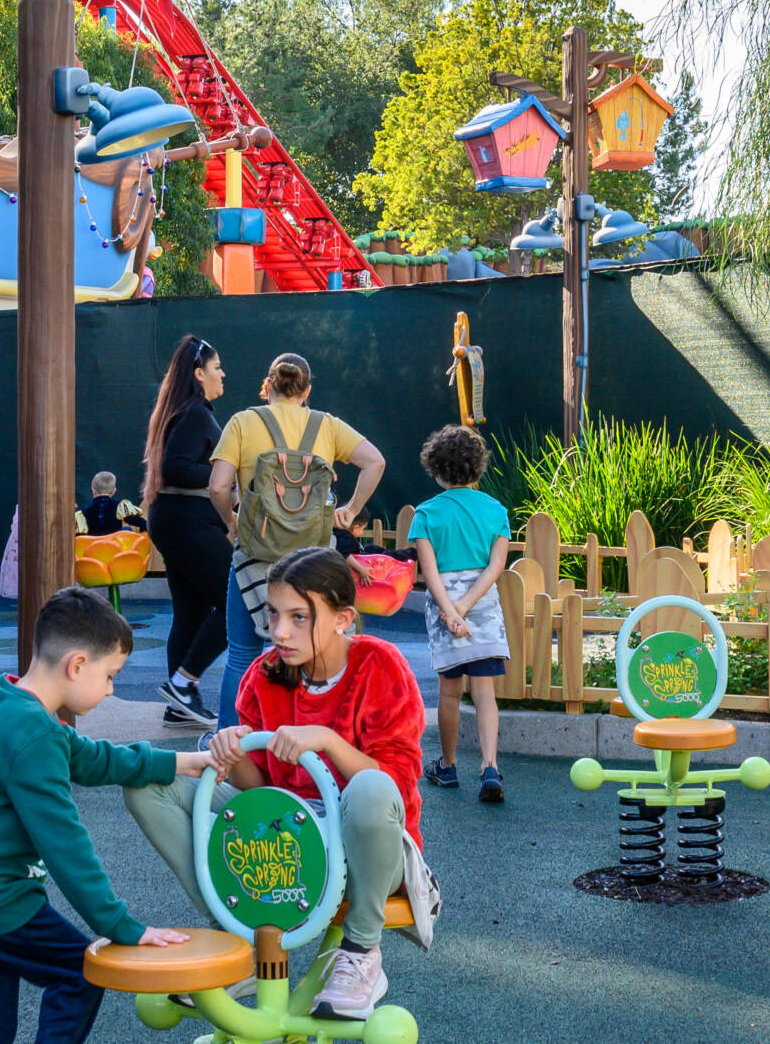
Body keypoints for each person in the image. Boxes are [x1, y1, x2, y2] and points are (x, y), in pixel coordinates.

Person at [126, 547, 437, 1020]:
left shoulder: (380, 666)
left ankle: (361, 952)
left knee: (369, 790)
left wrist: (328, 741)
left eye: (298, 617)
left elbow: (394, 786)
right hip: (282, 841)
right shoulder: (265, 673)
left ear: (343, 619)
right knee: (150, 783)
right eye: (274, 614)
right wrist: (238, 749)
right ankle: (242, 941)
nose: (279, 632)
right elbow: (256, 794)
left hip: (366, 847)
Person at [0, 587, 206, 1044]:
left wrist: (178, 763)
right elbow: (65, 843)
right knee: (80, 972)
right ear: (77, 665)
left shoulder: (13, 703)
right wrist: (120, 926)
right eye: (110, 675)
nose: (110, 689)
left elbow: (89, 758)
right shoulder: (33, 733)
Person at [207, 352, 386, 723]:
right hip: (311, 562)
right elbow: (375, 461)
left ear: (267, 386)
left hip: (255, 553)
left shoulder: (243, 422)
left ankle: (229, 749)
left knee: (242, 654)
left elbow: (218, 486)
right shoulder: (327, 425)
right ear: (307, 390)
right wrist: (350, 510)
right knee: (313, 652)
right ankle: (305, 745)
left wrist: (232, 521)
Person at [410, 425, 512, 802]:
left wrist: (451, 612)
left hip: (443, 607)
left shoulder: (425, 514)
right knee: (485, 693)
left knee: (450, 694)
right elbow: (496, 566)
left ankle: (449, 765)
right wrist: (467, 608)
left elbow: (429, 573)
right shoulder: (496, 511)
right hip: (482, 606)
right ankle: (489, 767)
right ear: (478, 468)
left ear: (436, 470)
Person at [143, 336, 231, 728]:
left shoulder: (183, 410)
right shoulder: (195, 413)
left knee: (191, 611)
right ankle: (182, 684)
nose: (222, 373)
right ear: (199, 374)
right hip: (187, 521)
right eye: (216, 368)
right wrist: (226, 475)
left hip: (173, 519)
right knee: (240, 603)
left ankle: (179, 703)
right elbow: (177, 468)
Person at [79, 471, 144, 536]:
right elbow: (138, 522)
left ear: (93, 490)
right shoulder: (119, 507)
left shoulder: (84, 512)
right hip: (115, 544)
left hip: (94, 544)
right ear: (114, 491)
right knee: (127, 529)